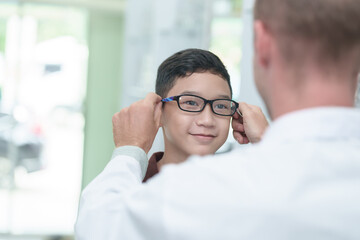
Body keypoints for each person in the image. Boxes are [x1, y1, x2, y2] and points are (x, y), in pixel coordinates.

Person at [75, 0, 360, 239]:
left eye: (220, 106)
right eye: (190, 103)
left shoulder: (214, 188)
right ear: (158, 110)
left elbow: (98, 226)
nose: (207, 119)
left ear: (261, 42)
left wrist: (129, 148)